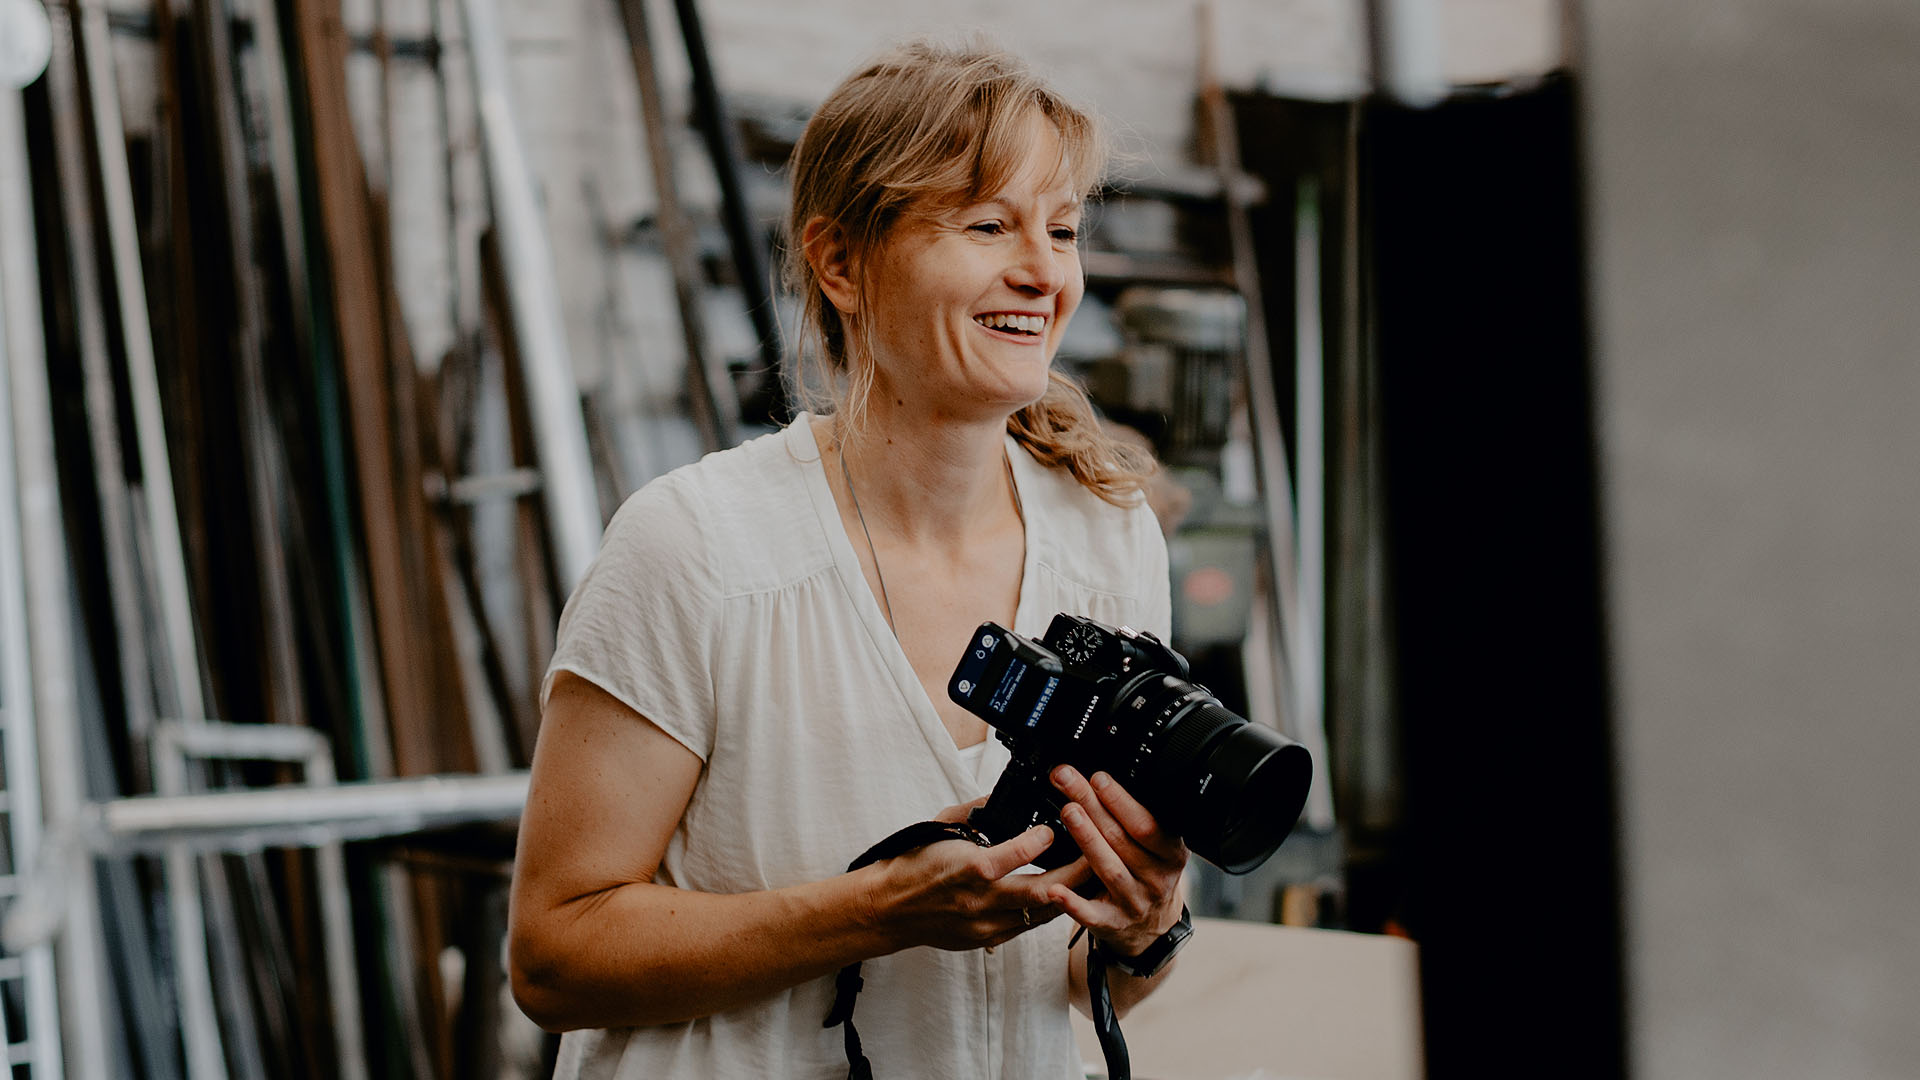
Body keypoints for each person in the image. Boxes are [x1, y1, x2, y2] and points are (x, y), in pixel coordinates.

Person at [508, 38, 1189, 1079]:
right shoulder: (698, 546)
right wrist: (876, 910)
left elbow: (1078, 987)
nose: (1044, 272)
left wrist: (1145, 926)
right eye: (988, 225)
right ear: (840, 263)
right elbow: (556, 956)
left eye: (1062, 230)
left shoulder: (1109, 536)